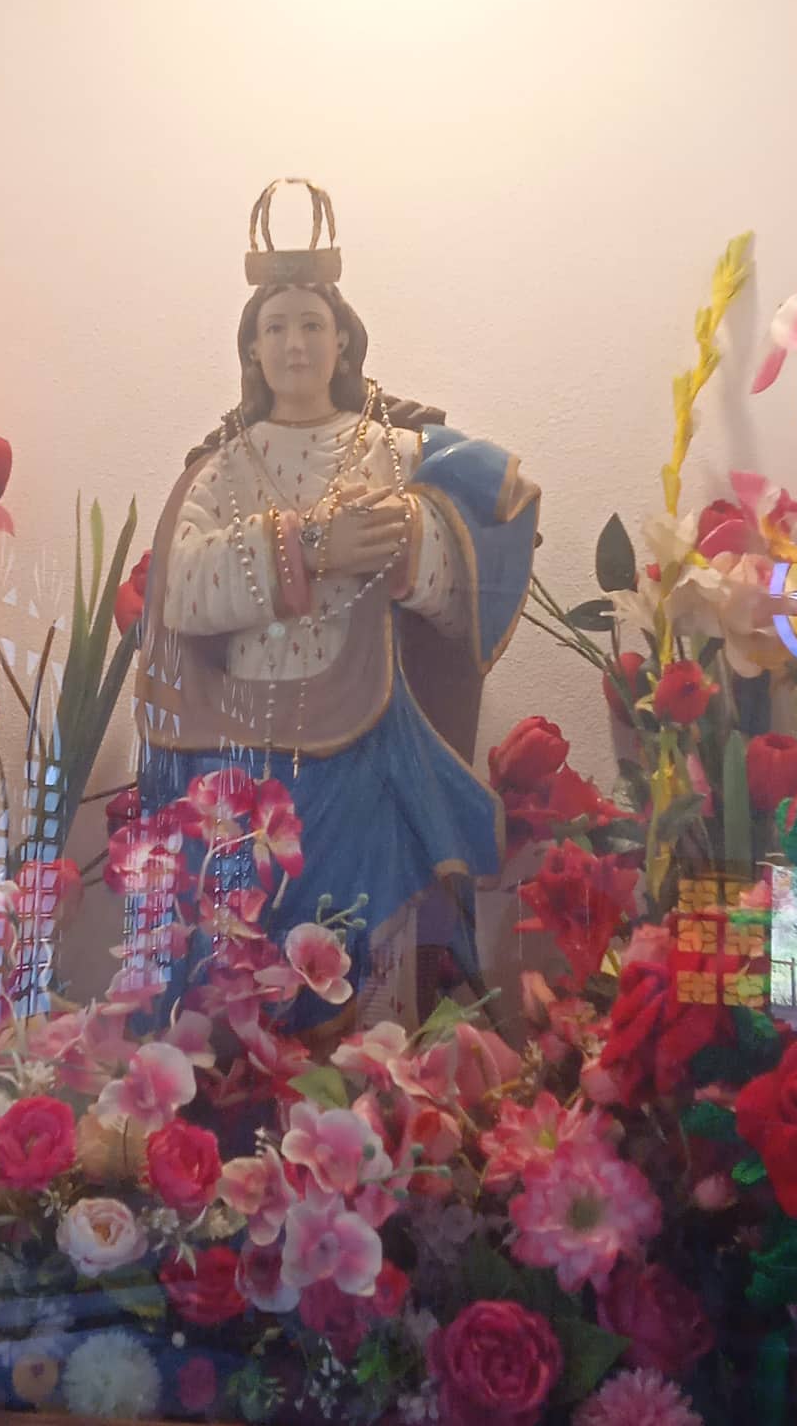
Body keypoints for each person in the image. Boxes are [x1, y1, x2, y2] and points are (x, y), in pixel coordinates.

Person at [130, 181, 539, 1031]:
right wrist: (306, 547)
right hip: (241, 751)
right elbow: (183, 592)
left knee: (369, 949)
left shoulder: (398, 453)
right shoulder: (220, 469)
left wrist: (410, 546)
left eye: (312, 324)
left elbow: (467, 592)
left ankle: (364, 1079)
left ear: (343, 338)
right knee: (237, 955)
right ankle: (241, 1074)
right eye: (276, 326)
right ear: (251, 349)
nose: (295, 343)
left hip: (366, 741)